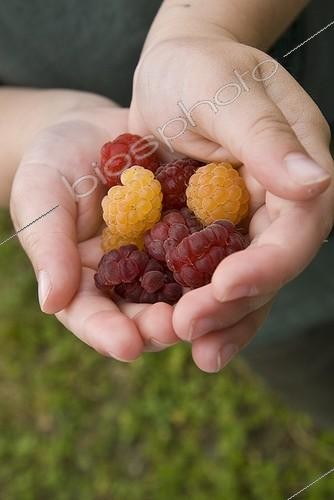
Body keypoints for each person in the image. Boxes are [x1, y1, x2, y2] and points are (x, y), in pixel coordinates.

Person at [0, 0, 333, 424]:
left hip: (296, 83)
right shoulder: (158, 226)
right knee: (315, 368)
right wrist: (48, 127)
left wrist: (202, 28)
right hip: (263, 298)